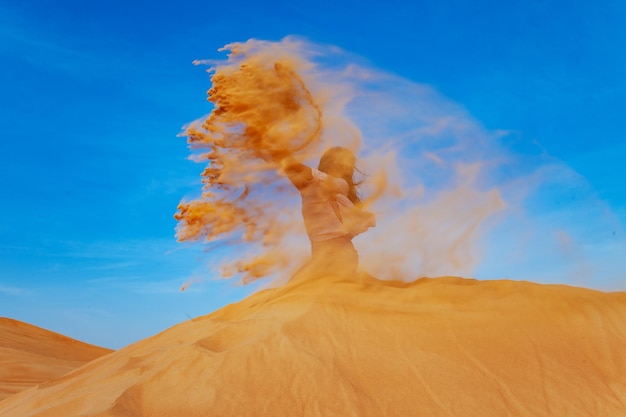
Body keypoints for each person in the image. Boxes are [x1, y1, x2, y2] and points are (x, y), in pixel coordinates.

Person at [271, 146, 375, 279]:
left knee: (293, 293)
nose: (345, 168)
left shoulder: (333, 183)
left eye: (347, 165)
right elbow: (289, 168)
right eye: (342, 163)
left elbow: (292, 165)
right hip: (329, 256)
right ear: (329, 163)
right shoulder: (311, 186)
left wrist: (268, 144)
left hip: (335, 256)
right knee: (295, 293)